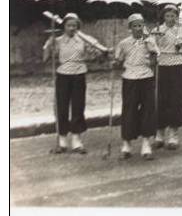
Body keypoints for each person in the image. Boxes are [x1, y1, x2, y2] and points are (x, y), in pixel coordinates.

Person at [42, 13, 105, 154]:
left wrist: (100, 52)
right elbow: (45, 58)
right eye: (68, 25)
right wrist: (49, 44)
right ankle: (62, 141)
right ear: (64, 26)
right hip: (63, 75)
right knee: (61, 107)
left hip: (79, 75)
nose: (71, 28)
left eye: (74, 26)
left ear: (78, 27)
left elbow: (98, 56)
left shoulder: (83, 40)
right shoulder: (57, 41)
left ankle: (77, 140)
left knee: (78, 106)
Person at [114, 13, 160, 160]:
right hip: (129, 79)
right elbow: (118, 62)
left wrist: (151, 49)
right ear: (130, 28)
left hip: (146, 78)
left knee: (148, 110)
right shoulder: (123, 43)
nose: (138, 29)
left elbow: (154, 62)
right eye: (135, 26)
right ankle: (126, 144)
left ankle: (146, 144)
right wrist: (115, 63)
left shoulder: (150, 41)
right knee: (129, 110)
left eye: (140, 25)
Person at [153, 4, 182, 150]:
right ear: (163, 16)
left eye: (173, 16)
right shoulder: (157, 30)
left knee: (175, 99)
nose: (170, 18)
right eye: (167, 16)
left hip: (177, 65)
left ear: (176, 16)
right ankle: (159, 134)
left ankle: (173, 134)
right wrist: (156, 42)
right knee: (160, 99)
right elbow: (151, 47)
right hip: (162, 66)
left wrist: (181, 45)